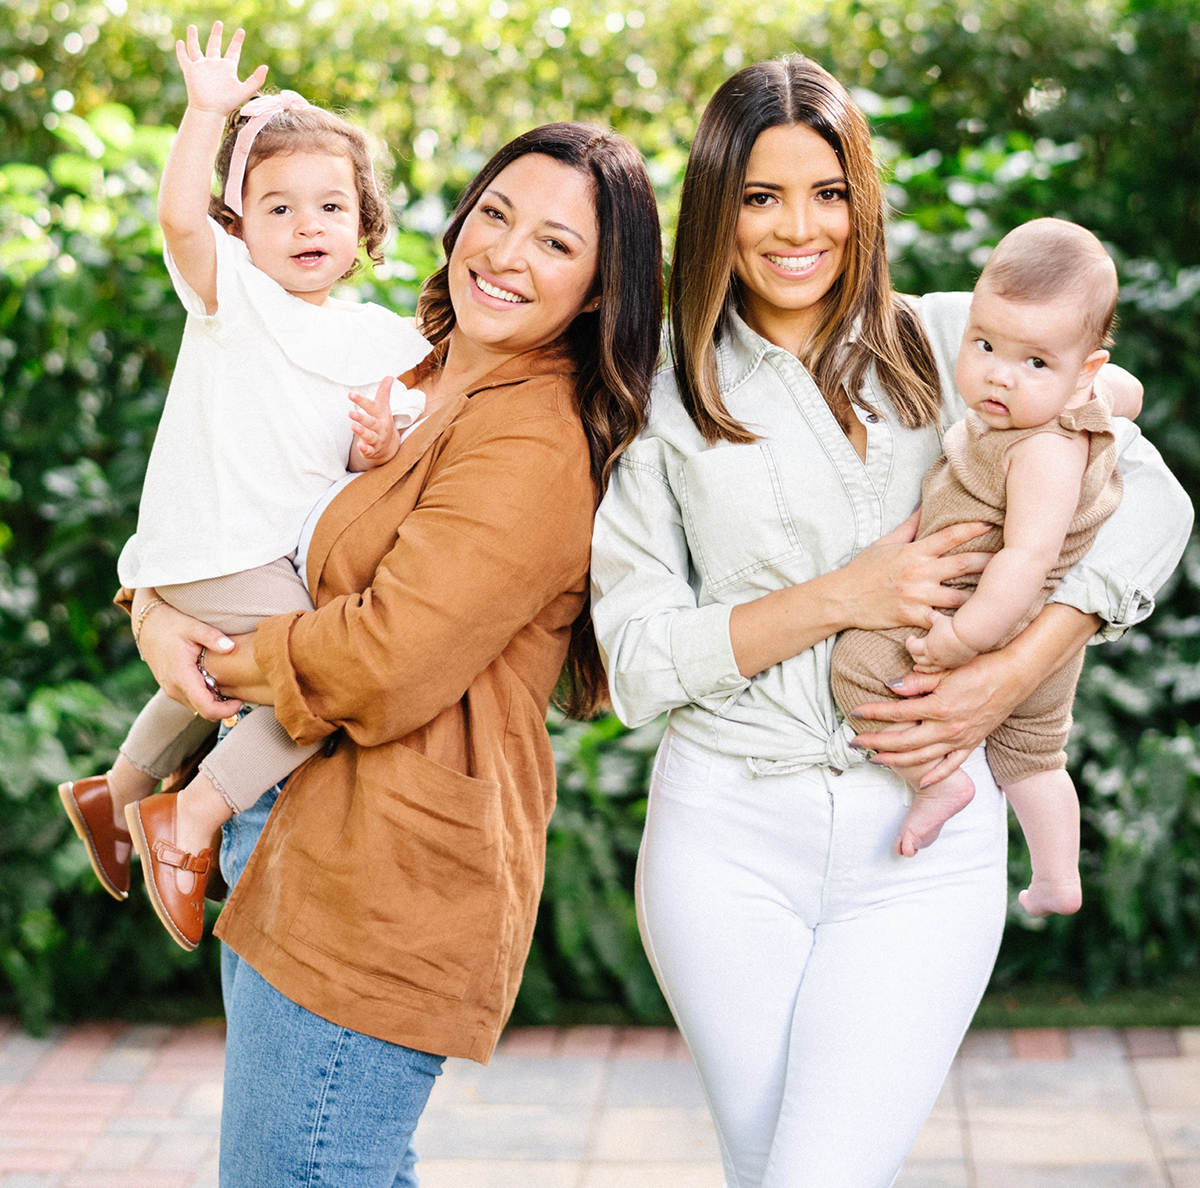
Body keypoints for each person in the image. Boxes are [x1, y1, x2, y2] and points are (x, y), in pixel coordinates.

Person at [590, 56, 1191, 1188]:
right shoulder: (659, 396)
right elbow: (632, 659)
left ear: (861, 200)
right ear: (718, 209)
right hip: (725, 837)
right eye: (761, 197)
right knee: (769, 1168)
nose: (796, 229)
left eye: (827, 191)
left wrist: (1014, 671)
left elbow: (1154, 504)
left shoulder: (962, 346)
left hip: (921, 845)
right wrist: (843, 599)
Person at [124, 116, 662, 1186]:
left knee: (303, 1173)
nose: (506, 253)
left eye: (556, 244)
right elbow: (236, 507)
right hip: (302, 837)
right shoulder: (407, 380)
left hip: (386, 874)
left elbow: (387, 655)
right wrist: (153, 612)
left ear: (603, 288)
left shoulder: (537, 435)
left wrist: (213, 660)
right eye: (496, 215)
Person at [57, 22, 431, 951]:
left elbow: (350, 473)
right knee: (326, 679)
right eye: (277, 208)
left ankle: (120, 791)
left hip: (243, 563)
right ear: (238, 225)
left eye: (330, 207)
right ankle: (189, 820)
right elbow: (179, 220)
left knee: (233, 669)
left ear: (364, 224)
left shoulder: (380, 339)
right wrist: (203, 115)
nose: (307, 226)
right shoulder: (233, 299)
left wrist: (376, 449)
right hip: (215, 548)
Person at [831, 218, 1139, 918]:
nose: (1000, 373)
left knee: (859, 666)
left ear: (1081, 374)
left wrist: (964, 639)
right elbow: (953, 495)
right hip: (983, 602)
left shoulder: (1044, 450)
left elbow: (1026, 560)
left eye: (1035, 362)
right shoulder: (1026, 414)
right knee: (1031, 756)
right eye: (986, 344)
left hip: (997, 613)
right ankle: (1058, 878)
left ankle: (933, 783)